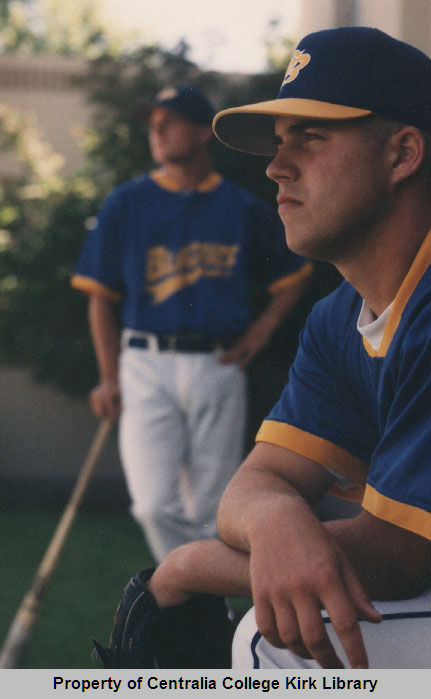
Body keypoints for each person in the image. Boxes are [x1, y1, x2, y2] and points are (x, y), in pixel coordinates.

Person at [132, 27, 431, 669]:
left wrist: (186, 569)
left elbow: (405, 554)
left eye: (313, 136)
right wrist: (272, 519)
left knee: (273, 646)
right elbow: (257, 483)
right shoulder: (340, 316)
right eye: (279, 141)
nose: (276, 165)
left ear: (403, 153)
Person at [71, 84, 311, 563]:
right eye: (153, 122)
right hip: (145, 363)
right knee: (153, 505)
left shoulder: (240, 207)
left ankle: (200, 617)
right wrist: (108, 376)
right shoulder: (128, 202)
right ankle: (200, 595)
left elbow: (293, 274)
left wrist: (262, 331)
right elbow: (99, 296)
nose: (157, 130)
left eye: (170, 120)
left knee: (212, 506)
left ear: (203, 131)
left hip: (216, 362)